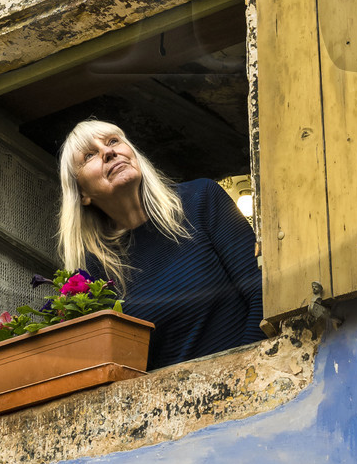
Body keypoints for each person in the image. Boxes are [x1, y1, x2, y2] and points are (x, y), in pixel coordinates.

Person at [58, 119, 262, 370]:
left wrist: (245, 372)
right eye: (89, 155)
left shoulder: (200, 199)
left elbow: (262, 291)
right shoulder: (94, 273)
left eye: (113, 141)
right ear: (82, 194)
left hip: (254, 380)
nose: (108, 152)